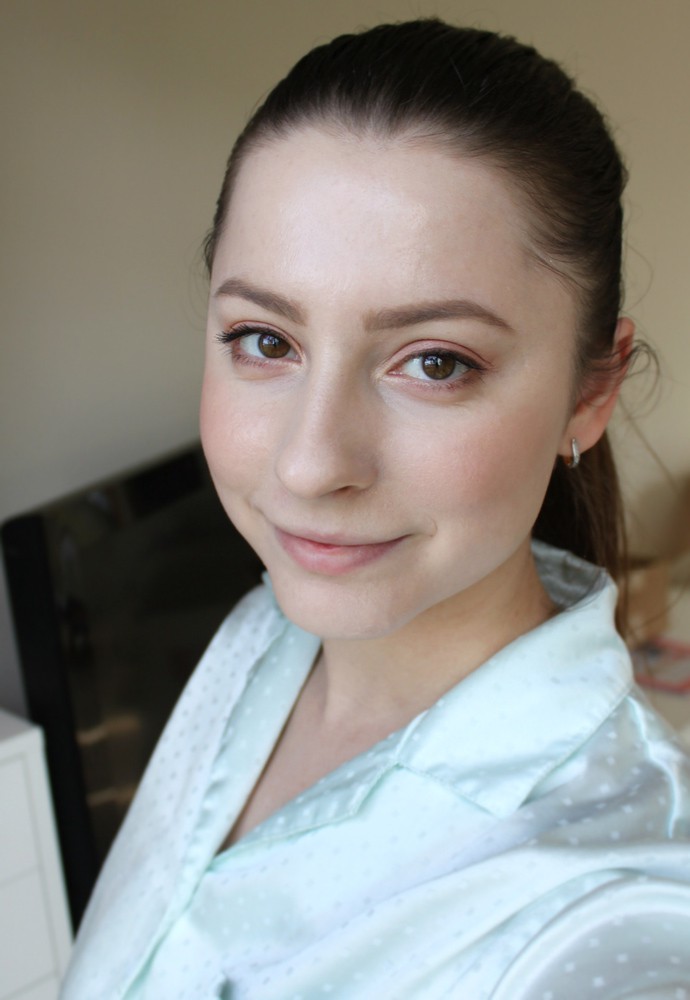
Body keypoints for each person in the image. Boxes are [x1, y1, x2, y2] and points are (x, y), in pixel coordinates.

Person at [62, 18, 690, 999]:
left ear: (591, 392)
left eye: (435, 362)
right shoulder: (263, 634)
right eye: (266, 340)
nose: (310, 466)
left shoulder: (612, 924)